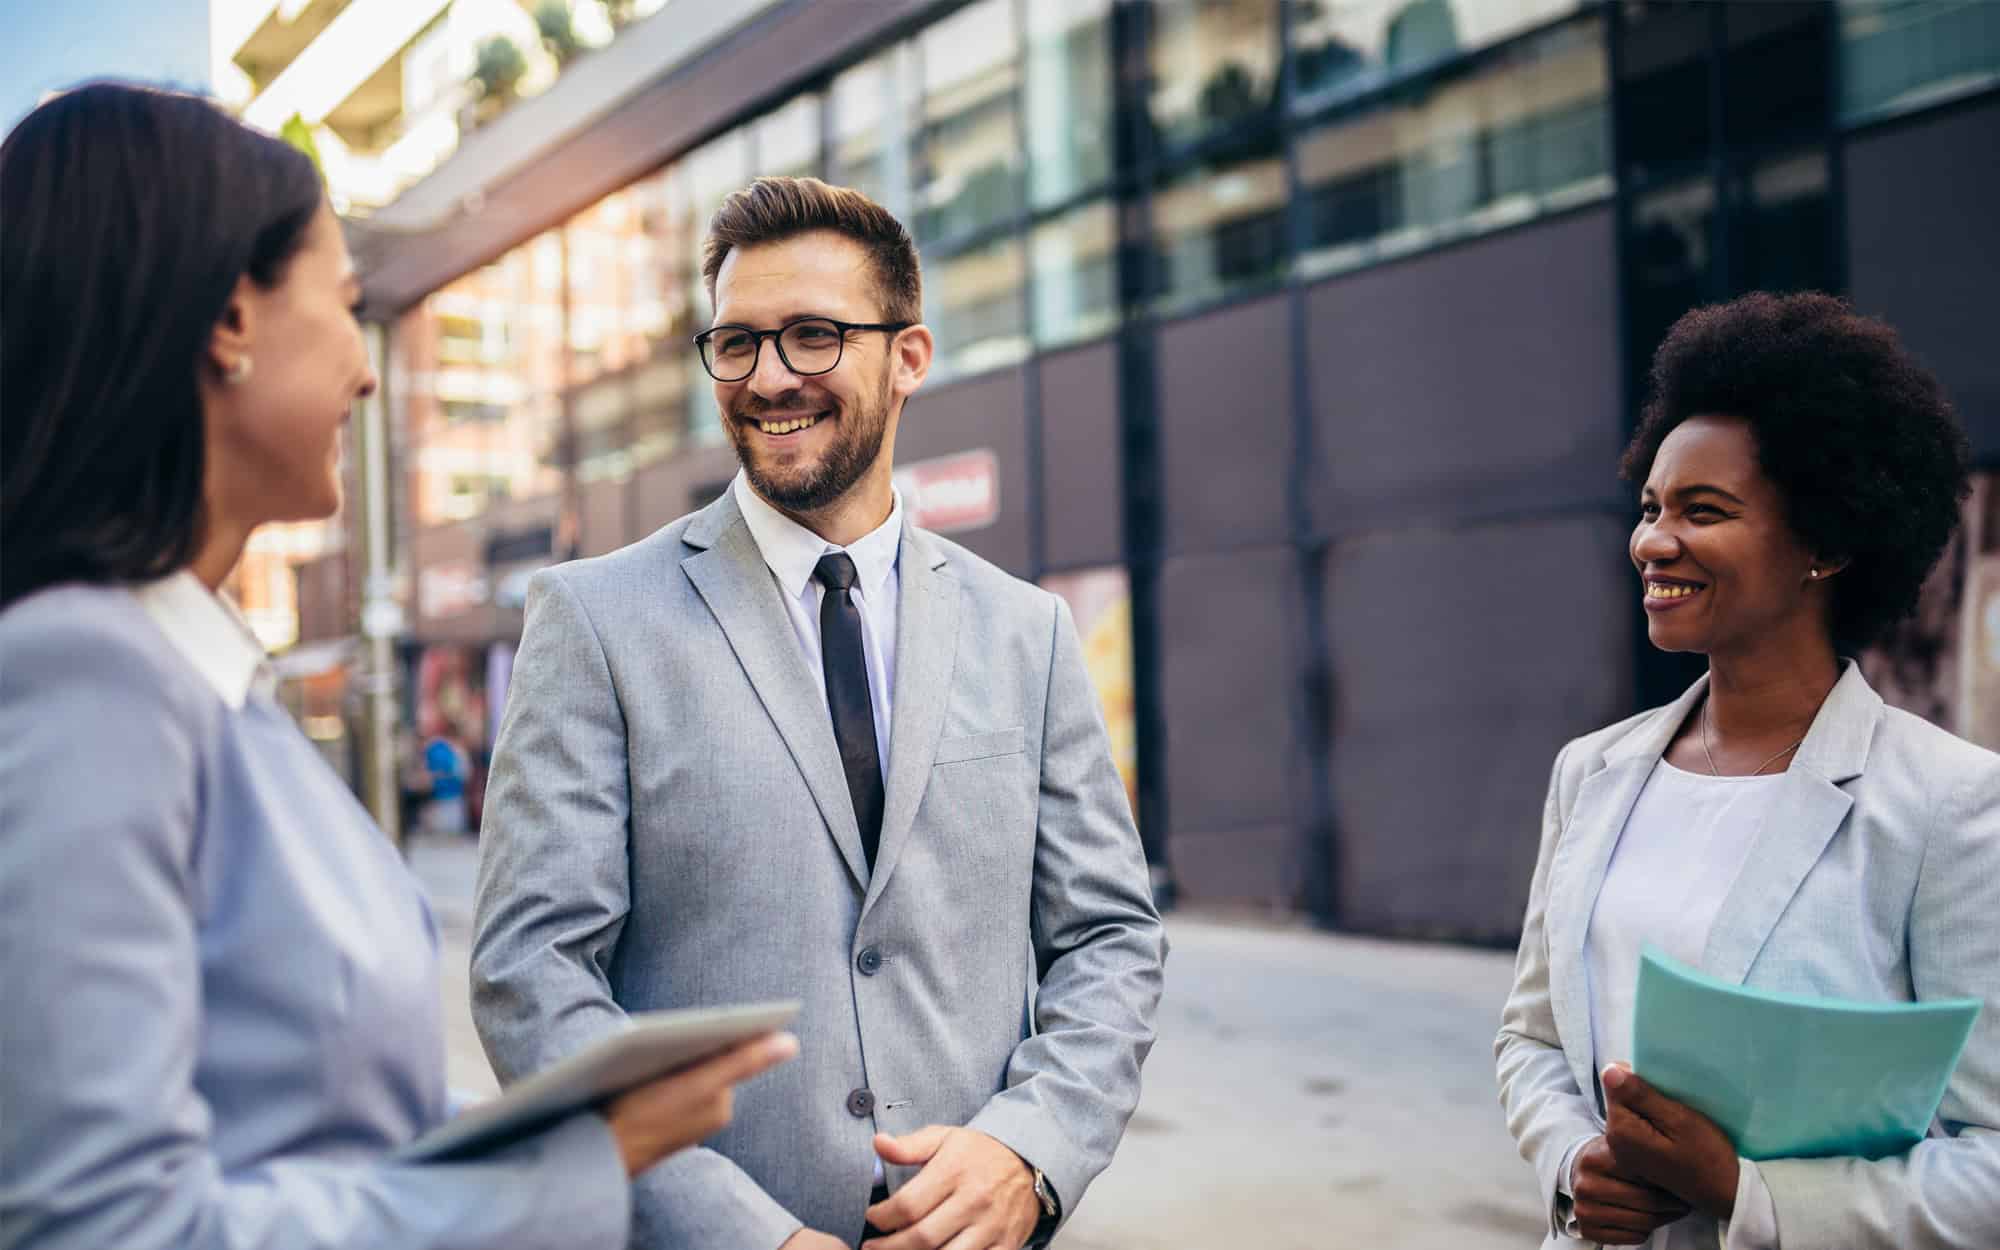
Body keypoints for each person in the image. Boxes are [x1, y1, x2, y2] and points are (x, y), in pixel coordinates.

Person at [0, 83, 796, 1250]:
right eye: (346, 306)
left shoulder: (210, 687)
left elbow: (314, 1128)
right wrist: (576, 1162)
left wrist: (566, 1122)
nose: (368, 372)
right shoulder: (84, 673)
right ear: (230, 319)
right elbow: (106, 1224)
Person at [470, 176, 1167, 1250]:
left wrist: (1030, 1149)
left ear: (908, 356)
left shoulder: (1023, 631)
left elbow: (1108, 936)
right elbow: (531, 975)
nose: (768, 377)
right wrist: (733, 1229)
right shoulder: (594, 621)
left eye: (810, 335)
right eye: (737, 343)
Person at [1495, 292, 1999, 1249]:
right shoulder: (1590, 773)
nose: (1653, 540)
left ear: (1830, 543)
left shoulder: (1951, 805)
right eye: (1649, 507)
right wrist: (1571, 1161)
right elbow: (1531, 1038)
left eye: (1704, 510)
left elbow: (1992, 1161)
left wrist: (1746, 1194)